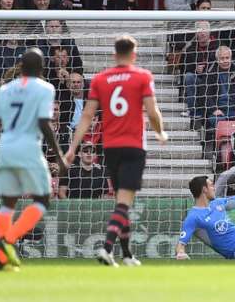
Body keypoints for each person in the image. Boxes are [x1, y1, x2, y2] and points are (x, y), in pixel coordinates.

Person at [65, 35, 167, 267]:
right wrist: (160, 132)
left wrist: (73, 148)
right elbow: (152, 112)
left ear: (114, 54)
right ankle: (107, 247)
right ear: (134, 54)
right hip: (133, 146)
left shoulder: (100, 79)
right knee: (124, 202)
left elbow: (87, 116)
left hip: (109, 147)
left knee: (123, 200)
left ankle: (128, 254)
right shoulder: (142, 76)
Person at [0, 48, 66, 271]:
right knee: (43, 198)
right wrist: (59, 155)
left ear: (20, 66)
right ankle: (8, 240)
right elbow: (44, 123)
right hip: (29, 147)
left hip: (7, 147)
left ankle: (1, 259)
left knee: (8, 203)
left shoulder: (6, 89)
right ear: (41, 68)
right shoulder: (45, 88)